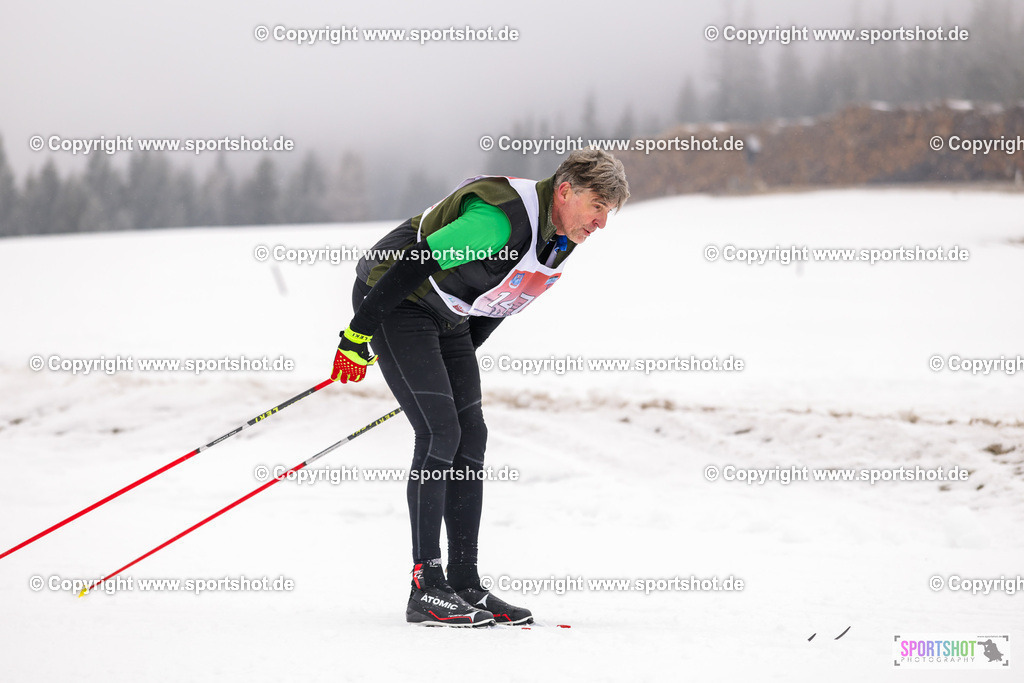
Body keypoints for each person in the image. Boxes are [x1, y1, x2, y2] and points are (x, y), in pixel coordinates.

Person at [331, 148, 629, 627]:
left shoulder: (559, 240)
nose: (601, 223)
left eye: (608, 212)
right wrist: (357, 335)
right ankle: (425, 587)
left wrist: (437, 374)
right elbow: (412, 263)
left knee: (471, 434)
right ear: (565, 191)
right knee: (440, 432)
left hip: (450, 313)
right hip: (398, 297)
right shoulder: (499, 222)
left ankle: (464, 583)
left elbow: (500, 301)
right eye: (597, 206)